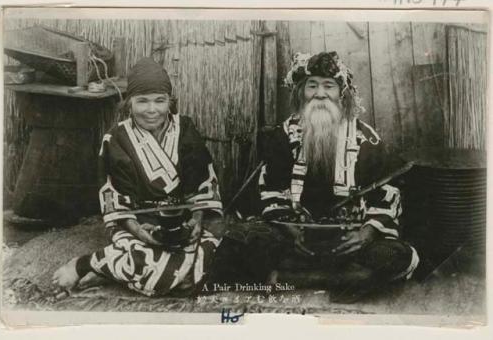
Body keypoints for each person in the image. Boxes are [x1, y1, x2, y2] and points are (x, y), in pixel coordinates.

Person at [52, 58, 224, 297]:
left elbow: (203, 181)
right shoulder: (116, 139)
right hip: (137, 223)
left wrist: (196, 219)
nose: (152, 110)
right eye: (142, 101)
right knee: (148, 263)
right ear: (129, 104)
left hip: (180, 223)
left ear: (170, 102)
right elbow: (114, 197)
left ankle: (110, 270)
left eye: (159, 101)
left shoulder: (185, 130)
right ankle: (87, 263)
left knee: (214, 262)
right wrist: (140, 232)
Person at [258, 51, 420, 302]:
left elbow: (387, 193)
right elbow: (272, 189)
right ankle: (347, 279)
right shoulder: (284, 135)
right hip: (298, 239)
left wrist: (364, 235)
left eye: (328, 86)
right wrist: (292, 232)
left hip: (349, 241)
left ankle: (301, 279)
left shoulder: (365, 138)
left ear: (341, 94)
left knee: (396, 255)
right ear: (300, 92)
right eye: (312, 85)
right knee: (248, 240)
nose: (320, 93)